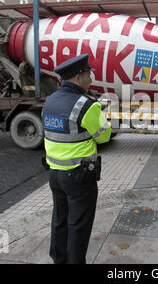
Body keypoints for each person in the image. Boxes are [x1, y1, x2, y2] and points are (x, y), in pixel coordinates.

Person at [42, 54, 111, 264]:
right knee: (78, 225)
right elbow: (105, 135)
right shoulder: (86, 105)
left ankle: (59, 260)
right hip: (79, 177)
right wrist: (99, 114)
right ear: (78, 77)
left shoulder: (50, 101)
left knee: (60, 220)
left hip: (54, 174)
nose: (91, 79)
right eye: (89, 74)